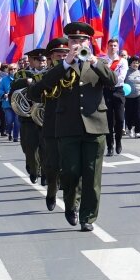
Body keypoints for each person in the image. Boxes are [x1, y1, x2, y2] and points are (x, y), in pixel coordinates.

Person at [40, 22, 117, 231]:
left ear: (89, 42)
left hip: (96, 126)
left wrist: (95, 62)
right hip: (68, 127)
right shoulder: (61, 66)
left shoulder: (97, 62)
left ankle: (88, 217)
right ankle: (71, 206)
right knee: (71, 173)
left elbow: (112, 81)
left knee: (92, 176)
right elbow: (45, 84)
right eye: (74, 40)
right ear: (69, 42)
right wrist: (66, 62)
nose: (78, 43)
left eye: (82, 40)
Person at [29, 37, 81, 211]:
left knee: (73, 168)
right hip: (52, 125)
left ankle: (72, 205)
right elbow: (33, 94)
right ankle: (52, 189)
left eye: (65, 53)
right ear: (50, 57)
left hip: (73, 126)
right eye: (58, 55)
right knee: (52, 165)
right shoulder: (44, 76)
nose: (62, 57)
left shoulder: (76, 74)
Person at [13, 49, 48, 183]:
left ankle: (45, 174)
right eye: (39, 60)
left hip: (45, 116)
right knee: (29, 147)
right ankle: (34, 169)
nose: (43, 62)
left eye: (44, 60)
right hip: (28, 118)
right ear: (32, 61)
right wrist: (25, 82)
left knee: (46, 147)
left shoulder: (50, 73)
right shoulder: (21, 74)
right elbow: (13, 92)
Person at [100, 38, 128, 156]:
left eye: (115, 45)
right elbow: (100, 76)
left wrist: (110, 80)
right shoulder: (102, 61)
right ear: (107, 46)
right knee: (108, 121)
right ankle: (110, 145)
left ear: (118, 47)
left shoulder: (122, 61)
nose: (112, 47)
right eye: (111, 45)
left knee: (120, 119)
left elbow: (121, 77)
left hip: (118, 91)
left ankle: (118, 141)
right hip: (106, 91)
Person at [123, 56, 140, 138]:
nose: (135, 64)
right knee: (129, 114)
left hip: (139, 96)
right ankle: (129, 128)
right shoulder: (126, 72)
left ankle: (137, 131)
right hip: (128, 97)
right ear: (130, 63)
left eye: (137, 63)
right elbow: (122, 83)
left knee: (139, 114)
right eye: (134, 62)